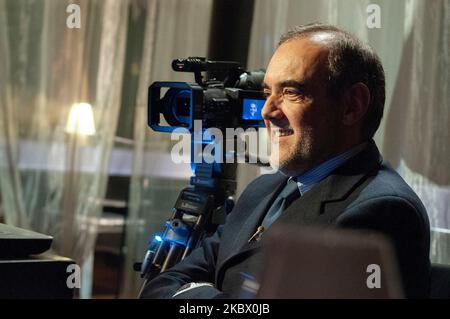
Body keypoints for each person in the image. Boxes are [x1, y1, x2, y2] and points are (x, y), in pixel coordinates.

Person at [140, 23, 430, 299]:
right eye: (267, 92)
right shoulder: (261, 191)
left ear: (352, 106)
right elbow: (161, 285)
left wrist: (195, 293)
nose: (266, 110)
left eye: (291, 91)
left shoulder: (382, 210)